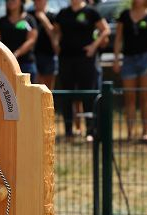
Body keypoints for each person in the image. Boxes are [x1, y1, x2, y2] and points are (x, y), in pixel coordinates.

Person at [54, 0, 110, 139]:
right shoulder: (63, 13)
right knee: (67, 95)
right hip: (66, 59)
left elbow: (106, 30)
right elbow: (56, 31)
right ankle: (68, 131)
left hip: (86, 59)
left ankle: (90, 131)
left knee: (87, 95)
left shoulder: (91, 12)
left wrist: (93, 46)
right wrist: (56, 44)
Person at [113, 0, 147, 140]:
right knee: (129, 98)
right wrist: (116, 59)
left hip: (146, 58)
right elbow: (118, 38)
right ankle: (130, 132)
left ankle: (146, 131)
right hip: (128, 59)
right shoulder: (124, 15)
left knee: (146, 96)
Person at [0, 0, 38, 78]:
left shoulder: (30, 19)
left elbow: (31, 40)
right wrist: (7, 55)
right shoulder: (1, 21)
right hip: (5, 64)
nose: (10, 1)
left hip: (26, 63)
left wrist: (17, 53)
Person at [28, 0, 58, 89]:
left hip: (49, 55)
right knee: (34, 87)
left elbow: (54, 35)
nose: (38, 2)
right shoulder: (29, 15)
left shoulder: (53, 16)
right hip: (32, 56)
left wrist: (44, 20)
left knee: (48, 89)